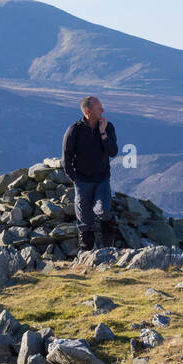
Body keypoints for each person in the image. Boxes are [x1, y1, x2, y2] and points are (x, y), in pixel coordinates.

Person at [62, 95, 120, 250]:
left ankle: (109, 249)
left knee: (103, 211)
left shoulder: (108, 127)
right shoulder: (74, 130)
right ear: (88, 111)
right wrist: (75, 179)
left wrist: (103, 134)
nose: (103, 109)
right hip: (82, 182)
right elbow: (66, 158)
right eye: (98, 107)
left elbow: (113, 151)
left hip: (102, 179)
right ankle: (87, 255)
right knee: (85, 221)